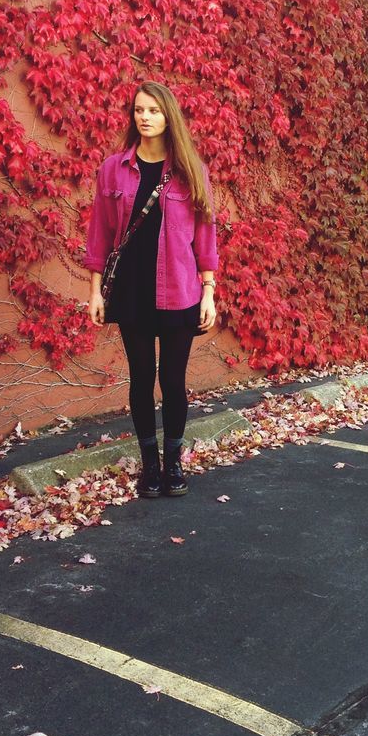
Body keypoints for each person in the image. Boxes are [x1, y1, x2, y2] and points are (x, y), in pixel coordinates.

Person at [84, 81, 218, 497]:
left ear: (168, 117)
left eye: (153, 111)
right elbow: (100, 234)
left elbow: (205, 236)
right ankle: (149, 467)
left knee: (173, 380)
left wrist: (209, 291)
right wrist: (95, 292)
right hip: (131, 291)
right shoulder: (113, 169)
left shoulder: (191, 170)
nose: (144, 117)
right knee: (141, 378)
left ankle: (174, 462)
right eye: (139, 110)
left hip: (179, 291)